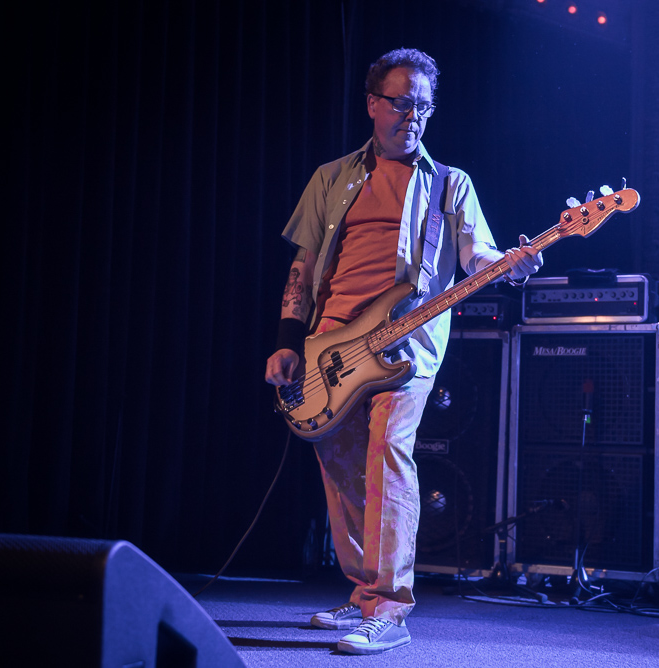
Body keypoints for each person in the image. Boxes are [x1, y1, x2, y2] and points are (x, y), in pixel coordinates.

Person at [264, 47, 542, 655]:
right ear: (373, 104)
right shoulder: (331, 178)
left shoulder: (449, 185)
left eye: (423, 105)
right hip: (328, 348)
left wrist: (513, 265)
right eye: (401, 102)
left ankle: (389, 606)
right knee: (339, 466)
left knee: (389, 450)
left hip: (406, 345)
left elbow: (477, 257)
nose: (412, 115)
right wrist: (287, 343)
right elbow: (303, 265)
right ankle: (363, 594)